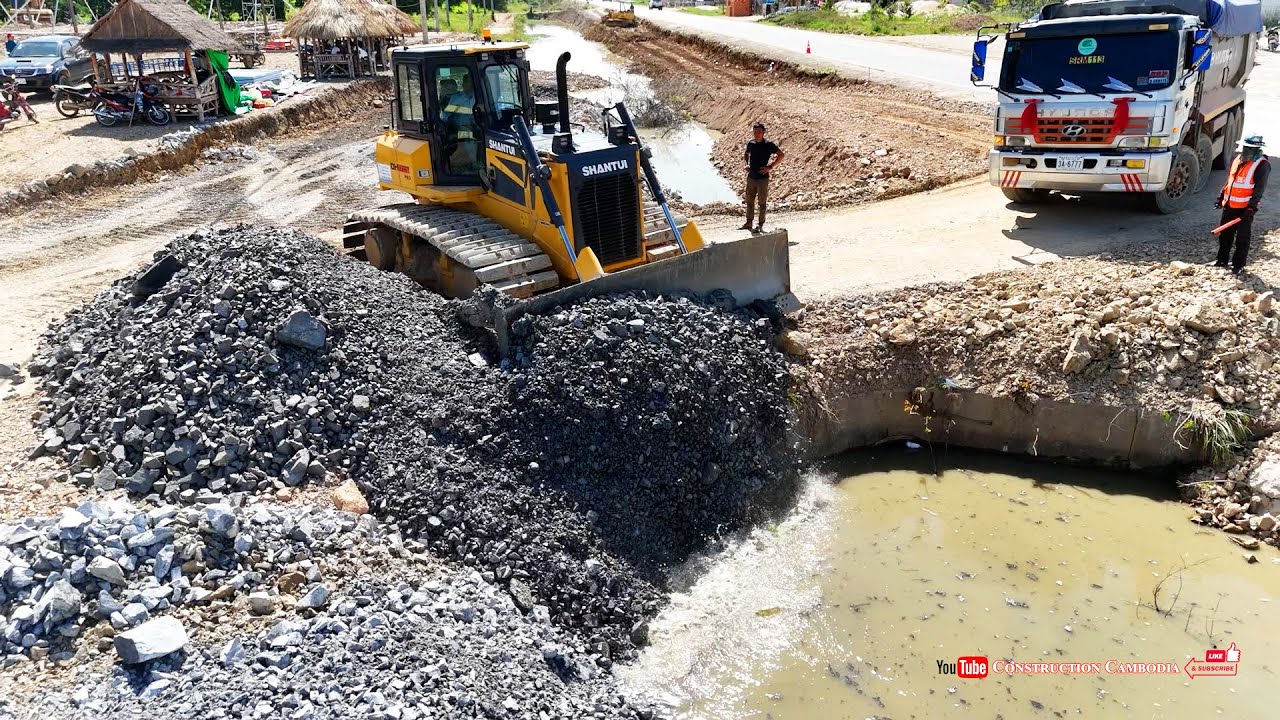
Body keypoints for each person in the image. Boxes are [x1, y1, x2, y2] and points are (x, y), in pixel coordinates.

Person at [1214, 134, 1269, 275]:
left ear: (1257, 149)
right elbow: (1230, 181)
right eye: (1245, 147)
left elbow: (1259, 189)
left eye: (1250, 148)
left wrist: (1251, 207)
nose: (1246, 150)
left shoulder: (1261, 165)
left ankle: (1238, 265)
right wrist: (1221, 196)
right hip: (1230, 205)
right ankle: (1221, 261)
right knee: (1225, 235)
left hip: (1245, 210)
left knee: (1242, 239)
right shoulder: (1238, 159)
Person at [740, 122, 784, 233]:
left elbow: (781, 155)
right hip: (751, 177)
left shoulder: (768, 144)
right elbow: (746, 154)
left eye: (759, 132)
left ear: (764, 132)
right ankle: (749, 222)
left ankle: (760, 224)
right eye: (755, 132)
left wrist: (770, 167)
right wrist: (746, 164)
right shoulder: (751, 143)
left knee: (762, 203)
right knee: (750, 201)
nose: (756, 134)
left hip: (762, 179)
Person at [443, 74, 480, 172]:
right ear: (463, 84)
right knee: (467, 134)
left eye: (470, 82)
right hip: (460, 127)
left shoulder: (479, 97)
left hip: (478, 125)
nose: (467, 85)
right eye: (466, 82)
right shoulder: (456, 98)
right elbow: (446, 115)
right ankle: (473, 162)